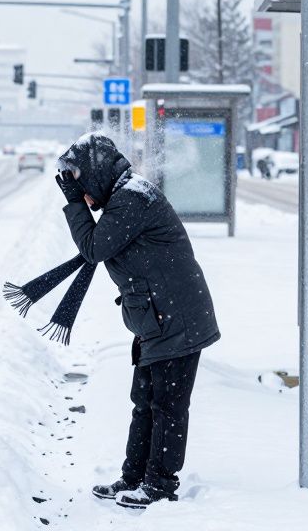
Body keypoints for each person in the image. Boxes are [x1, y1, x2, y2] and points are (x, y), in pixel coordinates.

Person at [54, 133, 220, 510]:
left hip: (176, 318)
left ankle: (160, 483)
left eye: (84, 190)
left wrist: (72, 205)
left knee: (167, 403)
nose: (87, 201)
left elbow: (94, 248)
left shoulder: (133, 199)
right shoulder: (127, 196)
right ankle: (134, 477)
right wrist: (78, 200)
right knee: (145, 400)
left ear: (96, 176)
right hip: (157, 318)